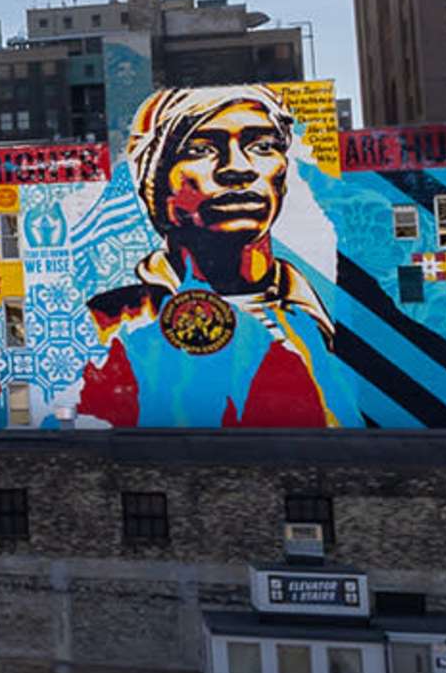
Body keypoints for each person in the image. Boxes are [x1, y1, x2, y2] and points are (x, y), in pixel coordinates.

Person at [75, 86, 352, 428]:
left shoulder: (323, 315)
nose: (238, 168)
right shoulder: (114, 320)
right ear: (154, 182)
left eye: (263, 146)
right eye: (200, 149)